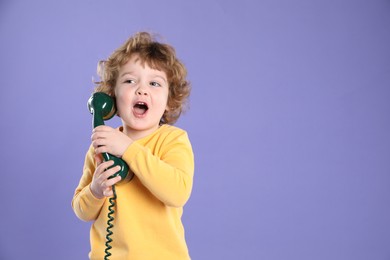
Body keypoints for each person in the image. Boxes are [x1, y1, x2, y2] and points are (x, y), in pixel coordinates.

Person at [72, 32, 194, 260]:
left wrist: (128, 149)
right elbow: (81, 209)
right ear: (111, 98)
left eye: (155, 83)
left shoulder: (173, 140)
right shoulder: (101, 145)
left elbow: (177, 192)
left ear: (169, 101)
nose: (142, 89)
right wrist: (95, 191)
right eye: (130, 81)